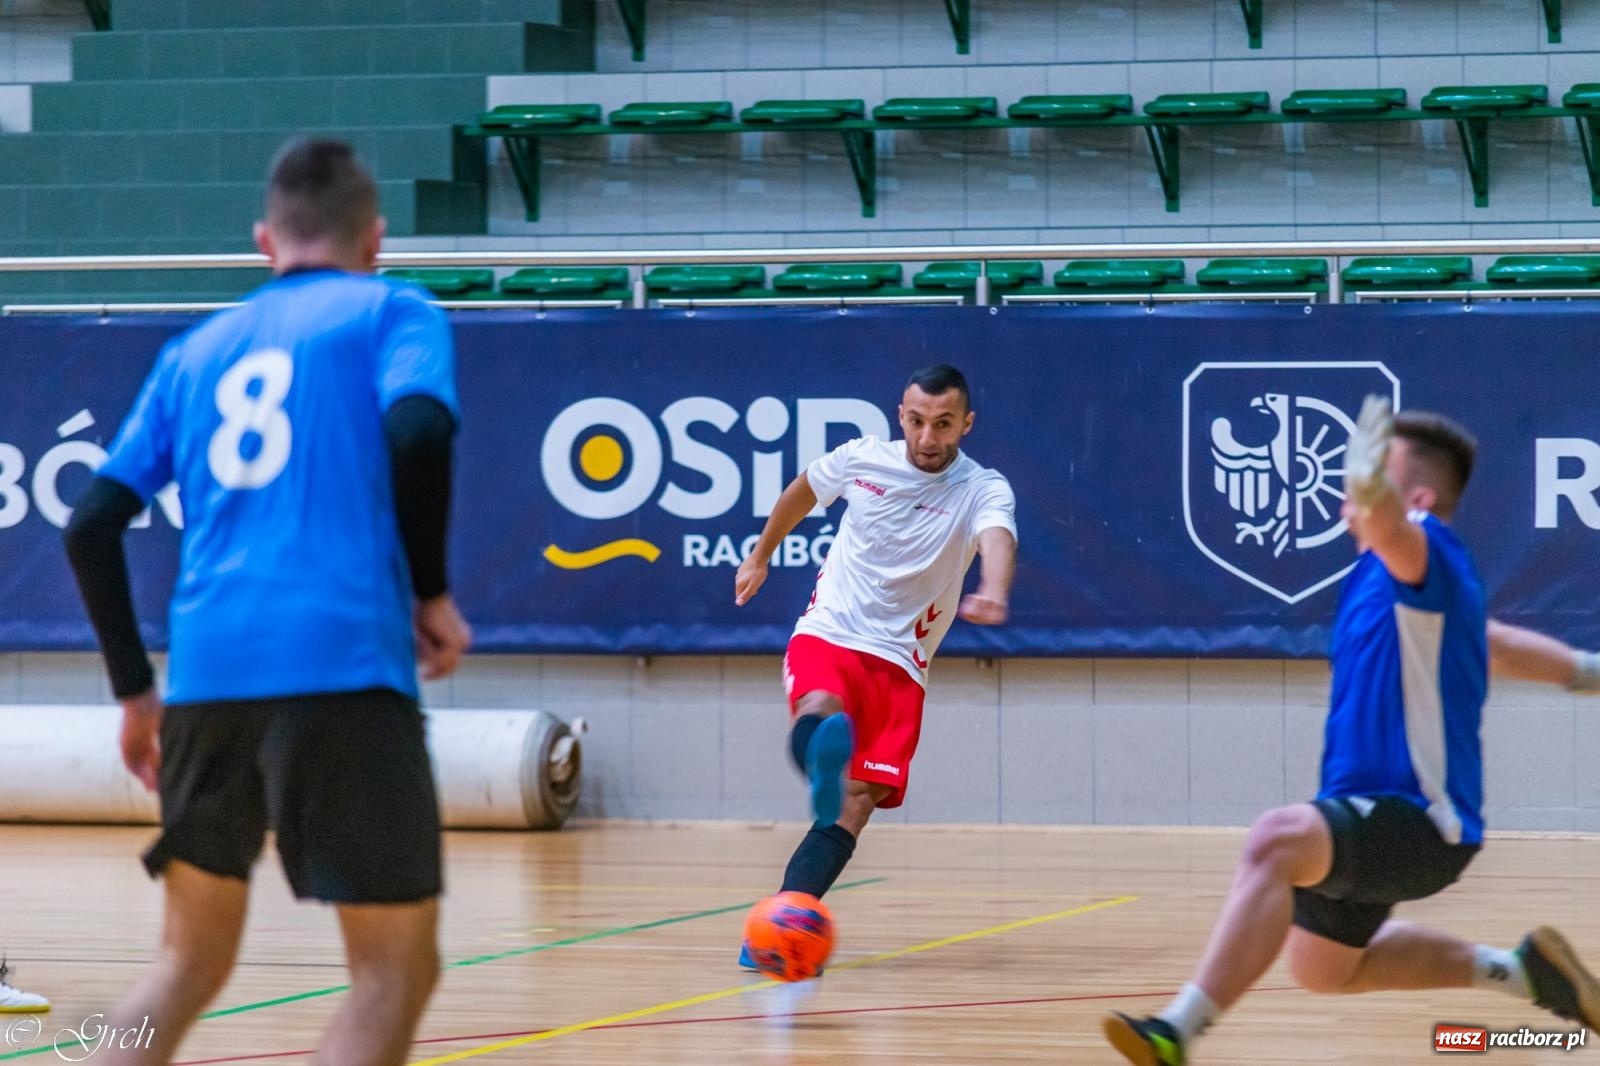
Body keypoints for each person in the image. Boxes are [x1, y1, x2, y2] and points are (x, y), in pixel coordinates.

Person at [63, 138, 471, 1066]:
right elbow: (415, 432)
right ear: (375, 238)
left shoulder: (193, 351)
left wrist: (136, 694)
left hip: (206, 683)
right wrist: (433, 593)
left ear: (263, 241)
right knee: (391, 974)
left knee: (184, 961)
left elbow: (88, 527)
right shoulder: (393, 309)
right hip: (343, 669)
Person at [1104, 398, 1600, 1065]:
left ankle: (1175, 1031)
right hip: (1375, 817)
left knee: (1275, 840)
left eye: (1373, 471)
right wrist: (1588, 672)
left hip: (1419, 820)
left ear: (1417, 495)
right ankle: (1523, 971)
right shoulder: (1402, 587)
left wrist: (1376, 503)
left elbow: (1397, 530)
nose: (1351, 481)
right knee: (1323, 968)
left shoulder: (1427, 548)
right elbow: (1497, 644)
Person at [732, 363, 1017, 966]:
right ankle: (818, 761)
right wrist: (759, 555)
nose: (927, 438)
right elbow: (804, 488)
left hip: (901, 664)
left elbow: (997, 537)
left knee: (857, 805)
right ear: (901, 416)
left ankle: (780, 927)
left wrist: (994, 587)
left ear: (965, 423)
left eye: (943, 424)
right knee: (820, 707)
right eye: (916, 421)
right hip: (831, 630)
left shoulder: (983, 488)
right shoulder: (863, 458)